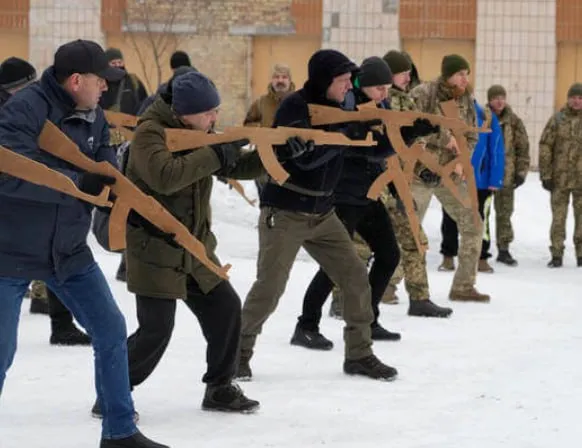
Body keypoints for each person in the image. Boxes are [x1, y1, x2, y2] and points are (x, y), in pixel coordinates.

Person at [0, 39, 167, 448]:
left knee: (110, 329)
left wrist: (132, 206)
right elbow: (10, 175)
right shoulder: (23, 111)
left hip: (69, 250)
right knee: (1, 350)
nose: (107, 87)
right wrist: (79, 185)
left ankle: (119, 432)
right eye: (100, 80)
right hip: (10, 251)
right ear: (76, 80)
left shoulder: (94, 115)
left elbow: (105, 168)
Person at [91, 70, 262, 417]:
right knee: (155, 331)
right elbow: (165, 177)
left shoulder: (198, 132)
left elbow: (234, 166)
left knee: (226, 309)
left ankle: (220, 388)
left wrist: (280, 155)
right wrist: (215, 153)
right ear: (184, 113)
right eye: (208, 113)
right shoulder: (149, 134)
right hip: (154, 248)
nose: (214, 118)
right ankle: (112, 394)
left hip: (194, 248)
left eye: (216, 111)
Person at [237, 49, 399, 382]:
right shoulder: (295, 107)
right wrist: (345, 135)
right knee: (270, 288)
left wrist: (405, 134)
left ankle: (359, 354)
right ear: (325, 81)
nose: (348, 87)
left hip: (323, 212)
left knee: (355, 277)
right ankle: (235, 356)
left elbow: (372, 149)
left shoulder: (344, 106)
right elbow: (305, 160)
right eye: (343, 81)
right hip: (286, 211)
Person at [293, 56, 439, 349]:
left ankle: (367, 320)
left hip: (368, 195)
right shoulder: (346, 108)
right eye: (380, 88)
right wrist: (406, 134)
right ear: (364, 85)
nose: (385, 94)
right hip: (342, 197)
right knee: (335, 265)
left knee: (389, 255)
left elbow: (383, 151)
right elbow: (368, 149)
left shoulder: (378, 107)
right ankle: (306, 326)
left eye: (387, 88)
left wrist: (411, 133)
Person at [0, 56, 91, 345]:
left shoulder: (32, 110)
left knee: (53, 255)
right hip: (13, 204)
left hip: (38, 199)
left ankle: (60, 322)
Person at [410, 54, 488, 302]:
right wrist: (445, 139)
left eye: (467, 74)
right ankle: (388, 285)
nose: (465, 79)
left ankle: (463, 286)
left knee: (474, 223)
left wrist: (463, 160)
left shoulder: (466, 99)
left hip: (450, 174)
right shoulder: (423, 93)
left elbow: (472, 136)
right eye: (460, 74)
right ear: (447, 75)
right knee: (409, 229)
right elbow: (409, 128)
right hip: (420, 172)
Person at [439, 97, 505, 273]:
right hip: (454, 177)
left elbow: (496, 148)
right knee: (450, 217)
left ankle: (481, 257)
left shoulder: (486, 116)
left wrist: (495, 179)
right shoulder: (447, 113)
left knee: (480, 219)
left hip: (480, 180)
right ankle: (448, 256)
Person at [538, 83, 582, 268]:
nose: (576, 101)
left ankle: (581, 254)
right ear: (568, 99)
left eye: (580, 98)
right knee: (558, 218)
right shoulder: (557, 119)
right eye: (573, 97)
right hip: (559, 179)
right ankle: (556, 253)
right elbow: (545, 146)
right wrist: (546, 174)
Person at [487, 85, 530, 266]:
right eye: (495, 98)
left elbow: (523, 147)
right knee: (482, 213)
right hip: (485, 175)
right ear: (489, 100)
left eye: (502, 98)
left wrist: (521, 172)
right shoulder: (482, 117)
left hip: (506, 175)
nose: (499, 101)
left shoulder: (513, 121)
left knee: (504, 213)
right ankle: (480, 249)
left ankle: (503, 249)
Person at [243, 63, 295, 195]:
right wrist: (260, 131)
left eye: (284, 77)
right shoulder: (261, 103)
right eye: (276, 77)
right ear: (272, 80)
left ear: (290, 80)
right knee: (265, 197)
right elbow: (248, 124)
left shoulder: (299, 102)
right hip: (264, 161)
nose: (280, 80)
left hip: (292, 161)